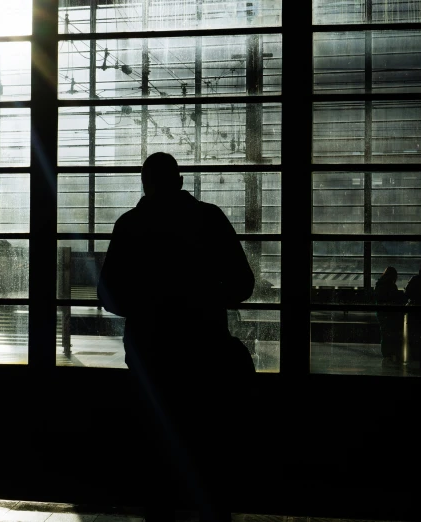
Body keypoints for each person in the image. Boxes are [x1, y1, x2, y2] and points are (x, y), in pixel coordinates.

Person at [97, 152, 255, 522]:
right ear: (180, 181)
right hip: (205, 357)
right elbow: (242, 283)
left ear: (145, 183)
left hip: (150, 358)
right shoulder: (209, 220)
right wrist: (204, 296)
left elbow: (108, 294)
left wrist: (147, 305)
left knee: (155, 456)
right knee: (208, 449)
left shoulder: (131, 225)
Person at [374, 266, 407, 365]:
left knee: (384, 334)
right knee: (392, 334)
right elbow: (397, 299)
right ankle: (392, 354)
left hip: (381, 314)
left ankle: (386, 355)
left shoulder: (379, 285)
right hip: (390, 315)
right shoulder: (391, 286)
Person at [404, 260, 421, 369]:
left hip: (415, 313)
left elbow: (407, 293)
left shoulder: (415, 279)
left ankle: (417, 359)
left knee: (416, 336)